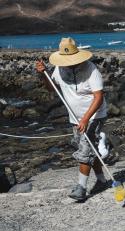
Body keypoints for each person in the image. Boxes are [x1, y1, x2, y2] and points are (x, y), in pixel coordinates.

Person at [35, 37, 108, 202]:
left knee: (85, 149)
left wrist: (86, 119)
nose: (69, 63)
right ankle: (102, 181)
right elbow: (51, 87)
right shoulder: (59, 69)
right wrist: (43, 74)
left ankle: (81, 188)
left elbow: (99, 97)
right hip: (75, 117)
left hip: (94, 115)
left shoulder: (91, 70)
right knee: (90, 149)